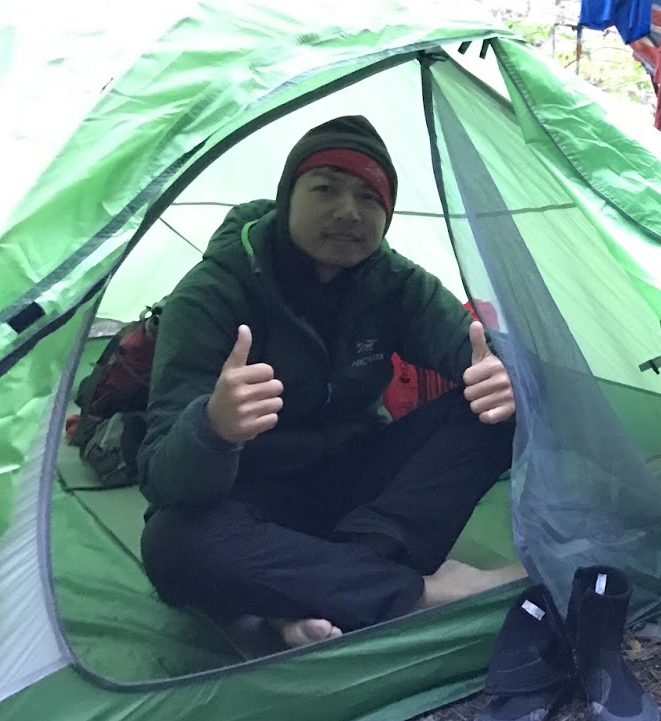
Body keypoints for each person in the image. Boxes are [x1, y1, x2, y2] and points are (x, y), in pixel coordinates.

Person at [137, 115, 523, 648]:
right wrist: (212, 428)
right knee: (172, 545)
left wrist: (500, 373)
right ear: (286, 198)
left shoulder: (394, 282)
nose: (347, 212)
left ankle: (311, 592)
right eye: (325, 189)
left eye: (368, 198)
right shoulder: (211, 293)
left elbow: (469, 346)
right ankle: (421, 591)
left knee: (500, 405)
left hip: (357, 488)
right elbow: (161, 477)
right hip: (251, 496)